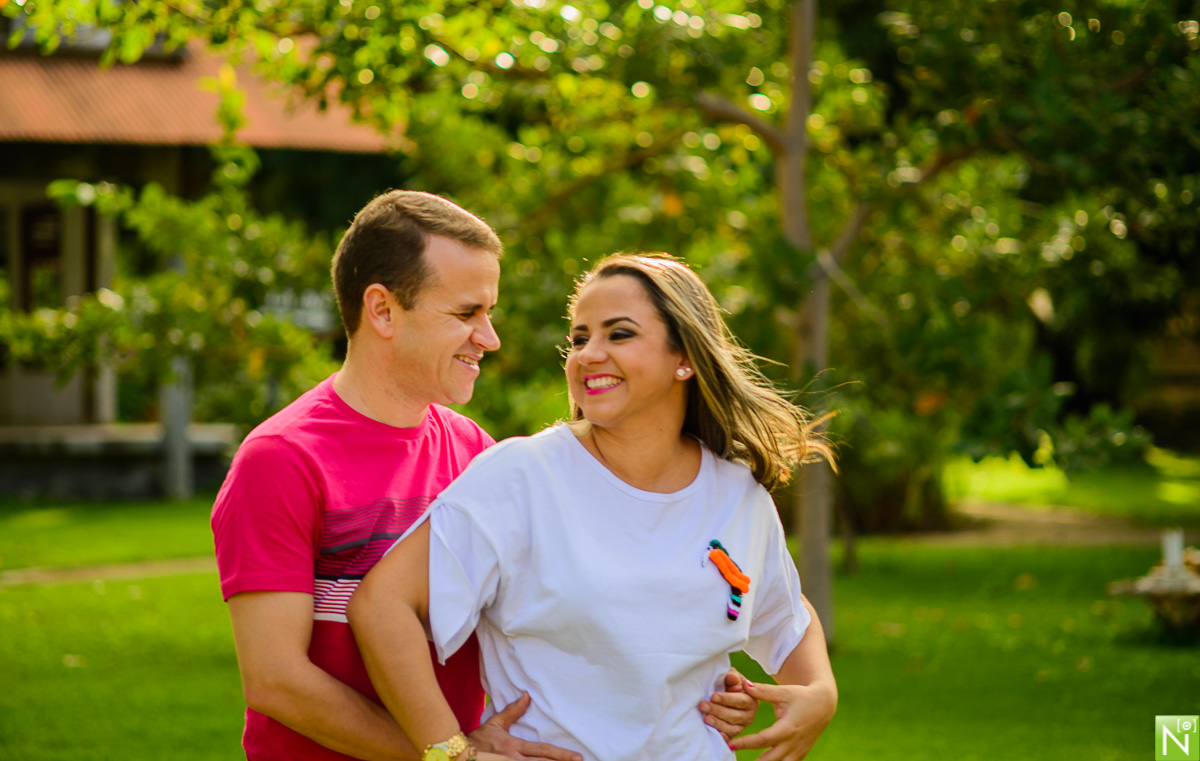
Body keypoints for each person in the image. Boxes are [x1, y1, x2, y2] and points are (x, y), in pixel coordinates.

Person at [211, 194, 756, 761]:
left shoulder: (476, 452)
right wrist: (446, 752)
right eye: (466, 313)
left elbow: (578, 610)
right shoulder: (283, 459)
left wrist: (700, 679)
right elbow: (276, 680)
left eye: (488, 313)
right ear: (383, 311)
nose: (489, 337)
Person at [348, 253, 839, 761]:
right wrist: (450, 753)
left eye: (618, 334)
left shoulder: (737, 493)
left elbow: (784, 617)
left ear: (685, 357)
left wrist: (820, 693)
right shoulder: (520, 477)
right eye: (580, 338)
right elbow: (382, 607)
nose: (588, 355)